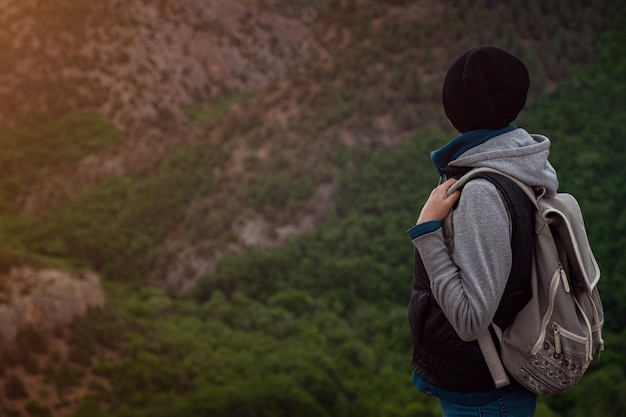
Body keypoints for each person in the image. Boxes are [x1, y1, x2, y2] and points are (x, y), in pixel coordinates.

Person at [407, 45, 559, 416]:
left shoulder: (481, 193)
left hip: (487, 393)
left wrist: (426, 230)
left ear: (455, 108)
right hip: (492, 386)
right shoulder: (519, 162)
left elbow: (471, 318)